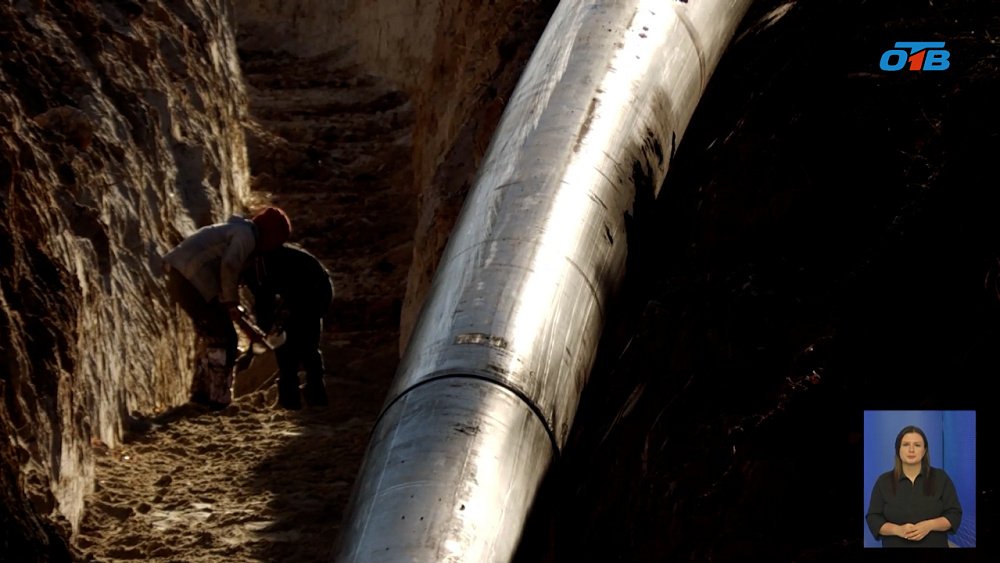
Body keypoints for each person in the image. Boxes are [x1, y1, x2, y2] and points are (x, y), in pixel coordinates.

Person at [162, 207, 292, 409]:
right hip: (190, 278)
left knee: (213, 335)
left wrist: (240, 317)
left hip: (183, 277)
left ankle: (201, 394)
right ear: (269, 235)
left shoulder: (235, 231)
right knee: (224, 338)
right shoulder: (246, 236)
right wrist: (232, 305)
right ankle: (217, 398)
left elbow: (224, 276)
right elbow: (229, 266)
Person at [241, 242, 334, 410]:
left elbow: (265, 305)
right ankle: (315, 398)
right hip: (317, 295)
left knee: (288, 355)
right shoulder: (282, 256)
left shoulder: (260, 267)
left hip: (309, 298)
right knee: (309, 350)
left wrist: (255, 344)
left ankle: (291, 401)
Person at [865, 425, 963, 547]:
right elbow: (873, 518)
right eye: (906, 445)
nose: (911, 450)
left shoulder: (941, 478)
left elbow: (954, 514)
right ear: (898, 449)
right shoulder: (883, 481)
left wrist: (929, 525)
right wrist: (898, 530)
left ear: (925, 450)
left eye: (917, 445)